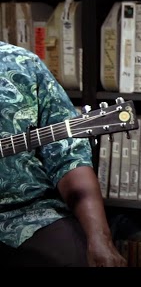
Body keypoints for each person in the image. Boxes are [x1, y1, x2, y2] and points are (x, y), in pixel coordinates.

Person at [0, 41, 126, 267]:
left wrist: (100, 238)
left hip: (27, 213)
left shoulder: (21, 65)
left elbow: (68, 157)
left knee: (75, 257)